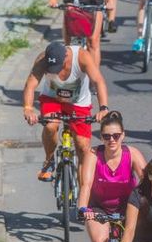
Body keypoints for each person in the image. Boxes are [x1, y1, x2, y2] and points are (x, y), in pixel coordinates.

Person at [76, 111, 147, 242]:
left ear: (123, 135)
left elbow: (147, 180)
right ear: (101, 137)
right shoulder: (93, 155)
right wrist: (83, 208)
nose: (111, 140)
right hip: (98, 208)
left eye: (116, 136)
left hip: (127, 207)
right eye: (106, 136)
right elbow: (86, 184)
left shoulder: (132, 154)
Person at [22, 40, 110, 180]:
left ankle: (83, 191)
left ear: (66, 56)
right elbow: (31, 85)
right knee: (51, 125)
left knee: (82, 146)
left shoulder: (82, 56)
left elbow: (98, 81)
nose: (56, 71)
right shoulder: (42, 59)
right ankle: (49, 161)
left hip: (78, 103)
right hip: (52, 99)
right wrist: (28, 108)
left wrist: (104, 108)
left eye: (58, 66)